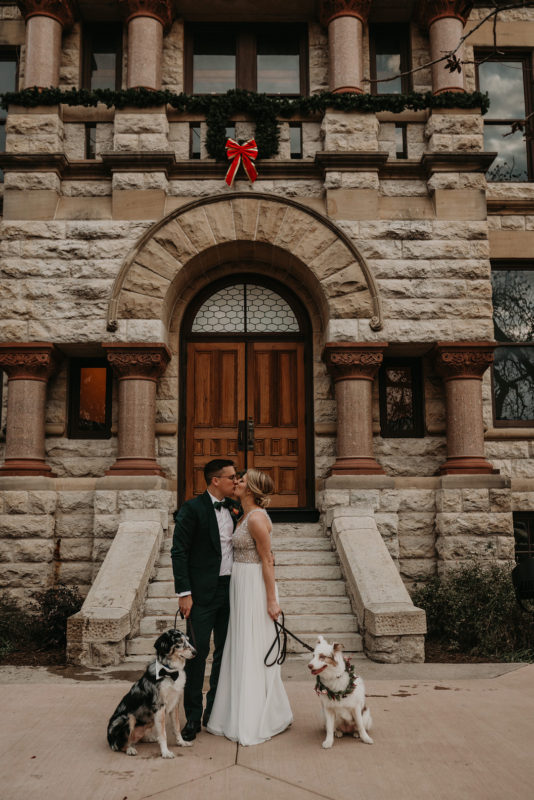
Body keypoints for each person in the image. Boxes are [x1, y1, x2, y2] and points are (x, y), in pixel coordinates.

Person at [207, 469, 293, 746]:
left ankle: (255, 716)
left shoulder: (255, 519)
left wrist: (271, 600)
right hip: (239, 583)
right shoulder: (242, 514)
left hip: (254, 585)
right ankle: (233, 712)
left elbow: (267, 560)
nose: (236, 482)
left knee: (252, 647)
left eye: (241, 481)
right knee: (240, 645)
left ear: (252, 489)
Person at [171, 458, 238, 741]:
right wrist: (184, 593)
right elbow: (179, 551)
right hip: (199, 596)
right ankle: (193, 718)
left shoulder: (238, 509)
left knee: (224, 654)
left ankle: (214, 713)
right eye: (232, 477)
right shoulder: (192, 509)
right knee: (196, 656)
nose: (236, 481)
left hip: (232, 591)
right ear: (215, 480)